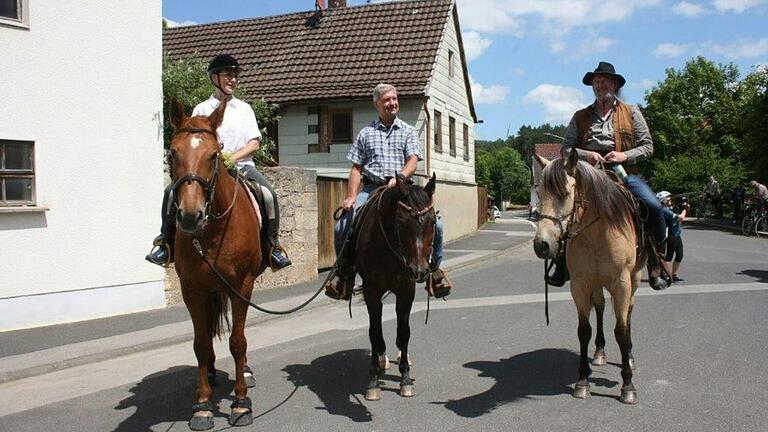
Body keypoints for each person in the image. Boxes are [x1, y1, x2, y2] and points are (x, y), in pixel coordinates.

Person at [146, 54, 291, 270]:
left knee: (269, 194)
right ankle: (165, 243)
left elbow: (254, 143)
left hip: (242, 166)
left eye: (235, 76)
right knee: (169, 193)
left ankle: (273, 246)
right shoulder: (201, 109)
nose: (232, 80)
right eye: (228, 75)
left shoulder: (244, 109)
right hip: (207, 169)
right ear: (215, 78)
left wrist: (232, 157)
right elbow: (192, 143)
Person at [323, 83, 451, 300]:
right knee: (342, 225)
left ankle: (434, 271)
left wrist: (399, 178)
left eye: (394, 99)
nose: (392, 103)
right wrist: (352, 196)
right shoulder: (366, 133)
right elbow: (356, 168)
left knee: (436, 224)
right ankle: (344, 273)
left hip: (403, 189)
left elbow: (412, 161)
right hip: (372, 188)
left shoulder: (408, 131)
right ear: (377, 104)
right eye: (386, 100)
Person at [549, 61, 669, 291]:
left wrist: (624, 156)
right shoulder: (580, 116)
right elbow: (566, 149)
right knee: (565, 207)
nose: (599, 85)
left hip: (622, 173)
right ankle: (561, 264)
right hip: (588, 175)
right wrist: (587, 155)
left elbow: (648, 146)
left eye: (604, 81)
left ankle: (657, 262)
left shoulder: (632, 112)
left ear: (614, 84)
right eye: (596, 81)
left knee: (653, 206)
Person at [656, 191, 687, 282]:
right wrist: (684, 208)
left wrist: (682, 207)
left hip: (677, 234)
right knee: (668, 257)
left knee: (679, 256)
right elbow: (681, 218)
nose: (670, 200)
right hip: (671, 235)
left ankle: (674, 275)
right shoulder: (664, 210)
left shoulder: (668, 208)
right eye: (668, 198)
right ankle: (664, 274)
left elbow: (679, 221)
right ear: (663, 200)